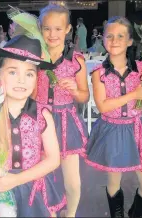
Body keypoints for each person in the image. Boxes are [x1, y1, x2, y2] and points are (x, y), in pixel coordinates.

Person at [0, 35, 66, 217]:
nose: (21, 80)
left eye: (29, 74)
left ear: (36, 79)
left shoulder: (43, 115)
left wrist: (16, 179)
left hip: (31, 188)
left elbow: (53, 159)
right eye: (12, 72)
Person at [85, 16, 142, 218]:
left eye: (121, 36)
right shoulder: (99, 74)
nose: (115, 40)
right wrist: (133, 94)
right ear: (103, 39)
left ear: (130, 41)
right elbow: (103, 107)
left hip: (136, 129)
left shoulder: (141, 68)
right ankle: (118, 215)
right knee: (114, 182)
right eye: (110, 36)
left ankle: (136, 213)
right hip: (111, 130)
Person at [37, 4, 89, 217]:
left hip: (66, 121)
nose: (52, 34)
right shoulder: (35, 57)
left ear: (68, 29)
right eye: (47, 28)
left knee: (73, 182)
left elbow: (85, 95)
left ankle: (71, 214)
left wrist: (76, 91)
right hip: (39, 121)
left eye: (58, 29)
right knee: (42, 177)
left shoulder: (76, 59)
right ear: (40, 29)